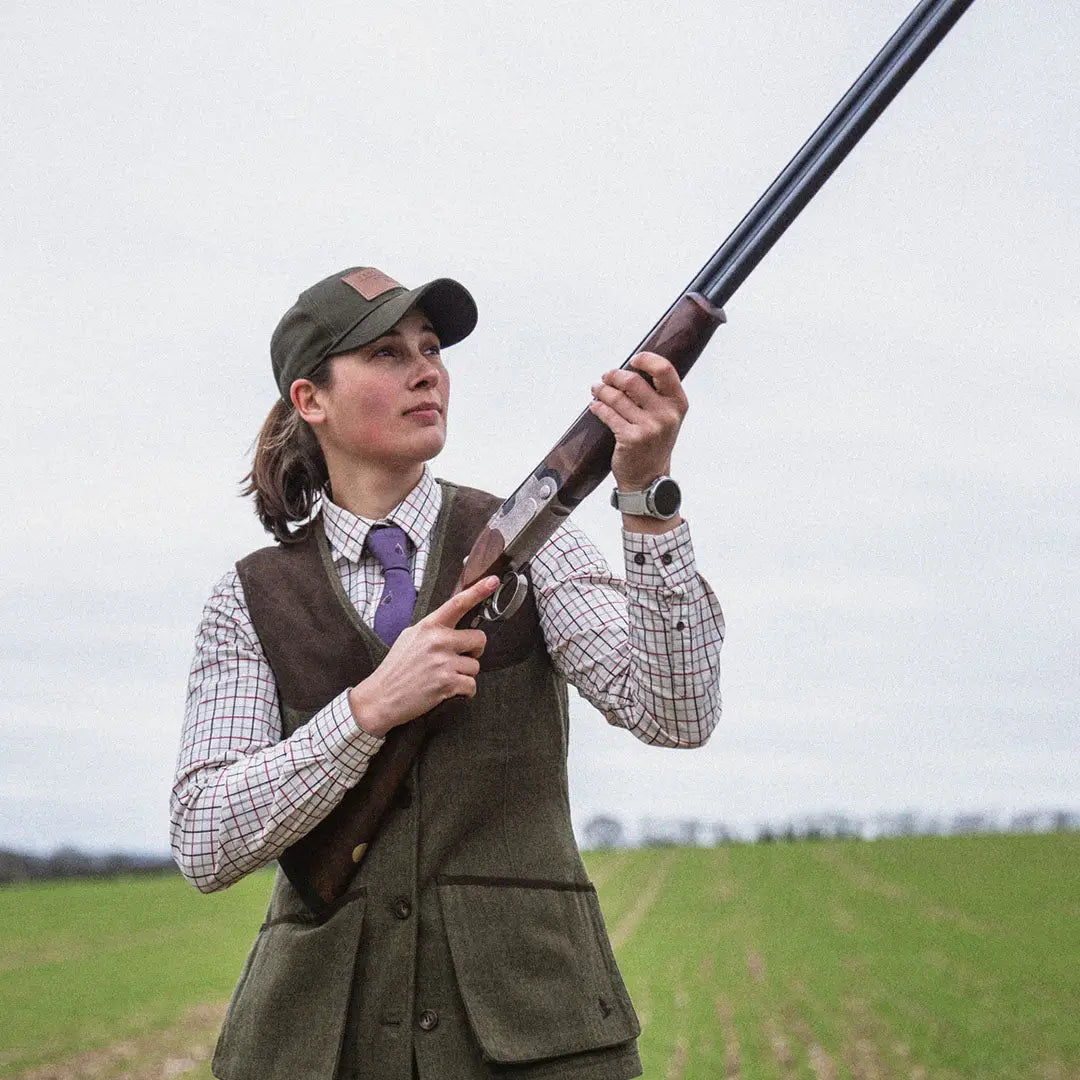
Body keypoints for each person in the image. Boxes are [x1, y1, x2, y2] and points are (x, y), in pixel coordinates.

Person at [171, 265, 724, 1080]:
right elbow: (203, 835)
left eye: (431, 348)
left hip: (534, 1038)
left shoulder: (538, 543)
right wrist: (365, 712)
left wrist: (647, 494)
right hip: (320, 1045)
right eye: (388, 353)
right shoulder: (248, 597)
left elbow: (676, 711)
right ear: (309, 399)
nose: (427, 369)